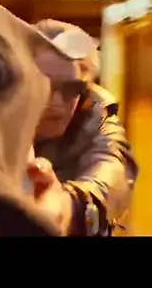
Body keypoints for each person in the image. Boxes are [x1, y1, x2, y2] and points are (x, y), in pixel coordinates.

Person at [27, 19, 139, 236]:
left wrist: (70, 207)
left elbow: (112, 168)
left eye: (72, 88)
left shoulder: (94, 112)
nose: (57, 101)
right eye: (44, 85)